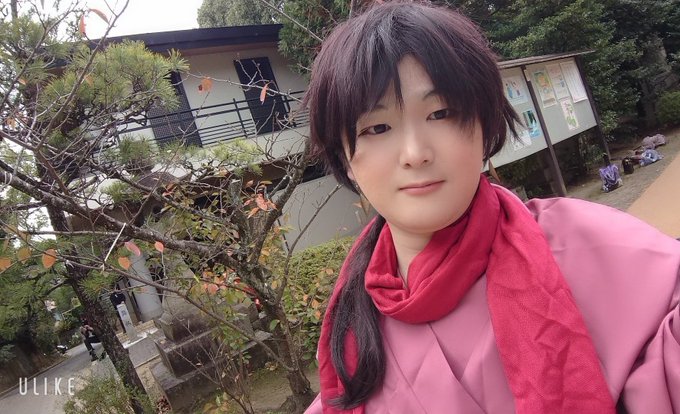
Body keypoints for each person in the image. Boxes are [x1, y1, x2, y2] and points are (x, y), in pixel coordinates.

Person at [302, 2, 680, 413]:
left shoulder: (600, 253)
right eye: (377, 127)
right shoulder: (350, 339)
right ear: (345, 158)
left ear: (485, 125)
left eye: (440, 113)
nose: (414, 153)